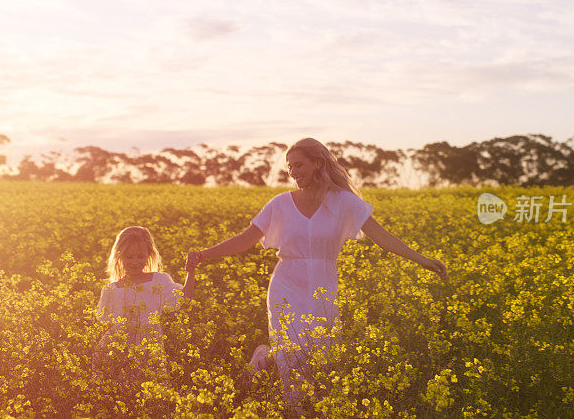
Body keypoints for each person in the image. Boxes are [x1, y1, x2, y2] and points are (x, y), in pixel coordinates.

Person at [185, 138, 447, 409]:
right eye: (289, 167)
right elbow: (245, 239)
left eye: (299, 165)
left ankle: (265, 358)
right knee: (291, 353)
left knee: (324, 354)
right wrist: (204, 254)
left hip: (323, 284)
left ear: (318, 163)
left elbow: (382, 236)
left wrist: (422, 260)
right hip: (286, 284)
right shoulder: (280, 204)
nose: (293, 172)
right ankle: (295, 410)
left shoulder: (345, 202)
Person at [93, 226, 196, 380]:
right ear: (119, 256)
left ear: (149, 255)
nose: (135, 262)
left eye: (140, 256)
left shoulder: (159, 280)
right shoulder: (110, 289)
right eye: (129, 257)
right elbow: (104, 324)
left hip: (150, 350)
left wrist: (191, 271)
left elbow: (184, 301)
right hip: (117, 353)